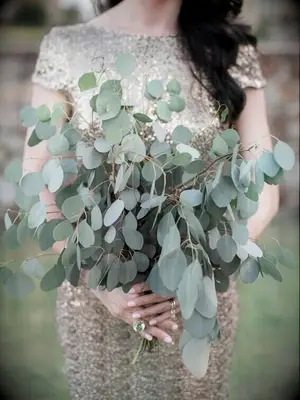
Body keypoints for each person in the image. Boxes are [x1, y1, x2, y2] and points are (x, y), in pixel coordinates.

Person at [22, 0, 279, 399]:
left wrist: (196, 265)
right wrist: (98, 280)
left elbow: (264, 186)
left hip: (195, 295)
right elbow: (38, 178)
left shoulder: (228, 49)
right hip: (95, 298)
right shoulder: (67, 45)